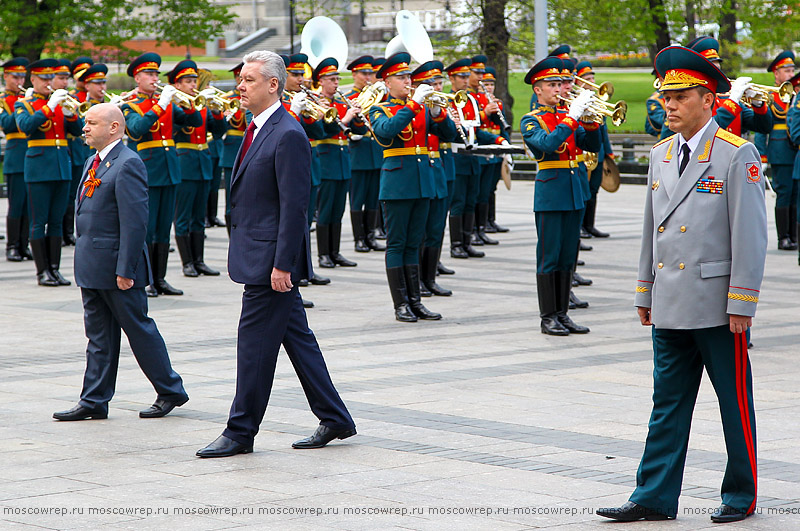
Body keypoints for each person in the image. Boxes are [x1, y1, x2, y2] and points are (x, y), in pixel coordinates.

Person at [597, 46, 767, 523]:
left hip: (717, 305)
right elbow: (653, 228)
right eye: (666, 96)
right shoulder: (661, 153)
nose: (669, 105)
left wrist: (742, 301)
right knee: (666, 404)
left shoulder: (737, 154)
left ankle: (740, 494)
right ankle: (653, 494)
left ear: (708, 99)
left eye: (681, 96)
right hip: (671, 301)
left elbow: (751, 236)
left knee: (733, 404)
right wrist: (644, 291)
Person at [196, 51, 355, 458]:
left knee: (253, 346)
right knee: (297, 340)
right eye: (241, 79)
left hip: (270, 263)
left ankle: (240, 431)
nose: (240, 86)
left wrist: (284, 263)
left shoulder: (286, 133)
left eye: (249, 79)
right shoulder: (258, 127)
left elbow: (295, 206)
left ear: (273, 85)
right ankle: (335, 418)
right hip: (259, 253)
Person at [53, 103, 189, 421]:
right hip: (92, 264)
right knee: (98, 336)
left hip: (116, 267)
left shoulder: (128, 163)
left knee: (139, 330)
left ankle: (170, 390)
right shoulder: (93, 160)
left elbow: (135, 222)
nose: (84, 128)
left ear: (114, 127)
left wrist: (126, 269)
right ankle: (94, 399)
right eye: (85, 123)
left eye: (92, 123)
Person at [369, 53, 457, 322]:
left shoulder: (420, 107)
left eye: (408, 76)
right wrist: (414, 105)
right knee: (397, 243)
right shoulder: (379, 109)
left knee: (414, 242)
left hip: (422, 182)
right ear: (387, 82)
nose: (408, 81)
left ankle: (416, 301)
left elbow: (449, 135)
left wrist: (438, 114)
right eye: (401, 77)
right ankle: (401, 304)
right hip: (397, 184)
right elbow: (387, 131)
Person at [520, 57, 600, 336]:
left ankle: (563, 313)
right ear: (537, 90)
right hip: (552, 193)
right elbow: (549, 145)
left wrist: (591, 122)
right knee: (550, 256)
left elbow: (592, 145)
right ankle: (548, 316)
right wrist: (572, 118)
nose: (559, 89)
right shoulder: (532, 120)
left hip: (575, 191)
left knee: (568, 256)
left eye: (560, 84)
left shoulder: (568, 116)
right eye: (551, 85)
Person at [121, 52, 202, 297]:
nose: (154, 78)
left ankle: (160, 279)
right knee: (147, 228)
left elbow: (195, 121)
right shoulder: (130, 104)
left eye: (156, 73)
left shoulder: (165, 101)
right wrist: (161, 105)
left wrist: (189, 101)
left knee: (163, 227)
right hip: (147, 170)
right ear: (137, 77)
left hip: (169, 170)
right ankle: (144, 280)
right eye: (149, 74)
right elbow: (136, 130)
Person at [15, 59, 84, 287]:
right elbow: (26, 126)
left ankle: (55, 269)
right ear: (32, 80)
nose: (48, 82)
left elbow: (78, 130)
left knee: (56, 221)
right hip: (39, 169)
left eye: (50, 78)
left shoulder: (60, 101)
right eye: (43, 78)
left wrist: (70, 113)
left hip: (62, 167)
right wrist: (48, 107)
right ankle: (42, 271)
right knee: (39, 221)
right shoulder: (23, 104)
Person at [169, 60, 226, 278]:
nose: (193, 85)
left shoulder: (201, 105)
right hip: (185, 162)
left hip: (203, 161)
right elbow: (180, 126)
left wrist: (217, 110)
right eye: (188, 81)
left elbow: (218, 131)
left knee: (198, 217)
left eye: (195, 80)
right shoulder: (175, 106)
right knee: (183, 215)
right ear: (178, 85)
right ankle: (187, 262)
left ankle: (199, 260)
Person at [312, 57, 366, 269]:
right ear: (321, 81)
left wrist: (358, 117)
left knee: (337, 211)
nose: (336, 83)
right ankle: (323, 254)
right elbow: (324, 131)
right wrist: (345, 120)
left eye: (337, 79)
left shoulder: (341, 104)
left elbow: (360, 131)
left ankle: (335, 252)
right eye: (332, 79)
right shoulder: (316, 103)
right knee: (325, 210)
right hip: (325, 160)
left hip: (343, 161)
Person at [754, 51, 798, 250]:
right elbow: (762, 130)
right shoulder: (771, 97)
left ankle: (795, 235)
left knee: (796, 193)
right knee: (784, 193)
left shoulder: (796, 94)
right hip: (780, 150)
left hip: (795, 150)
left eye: (792, 70)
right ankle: (783, 237)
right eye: (786, 71)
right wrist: (761, 155)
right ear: (776, 74)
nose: (790, 74)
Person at [345, 55, 386, 253]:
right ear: (354, 74)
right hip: (359, 155)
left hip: (375, 153)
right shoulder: (349, 98)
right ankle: (358, 239)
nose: (368, 77)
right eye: (364, 73)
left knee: (373, 198)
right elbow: (352, 126)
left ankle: (370, 236)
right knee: (357, 199)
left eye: (371, 73)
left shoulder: (377, 96)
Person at [1, 57, 31, 262]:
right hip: (16, 156)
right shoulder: (2, 100)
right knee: (17, 203)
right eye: (15, 76)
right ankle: (12, 245)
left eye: (22, 76)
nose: (20, 80)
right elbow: (7, 124)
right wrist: (23, 105)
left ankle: (24, 244)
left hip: (33, 156)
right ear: (5, 77)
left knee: (30, 205)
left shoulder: (29, 99)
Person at [63, 56, 94, 247]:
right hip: (75, 149)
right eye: (83, 77)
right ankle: (67, 231)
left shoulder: (93, 98)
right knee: (72, 194)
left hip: (89, 150)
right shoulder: (74, 98)